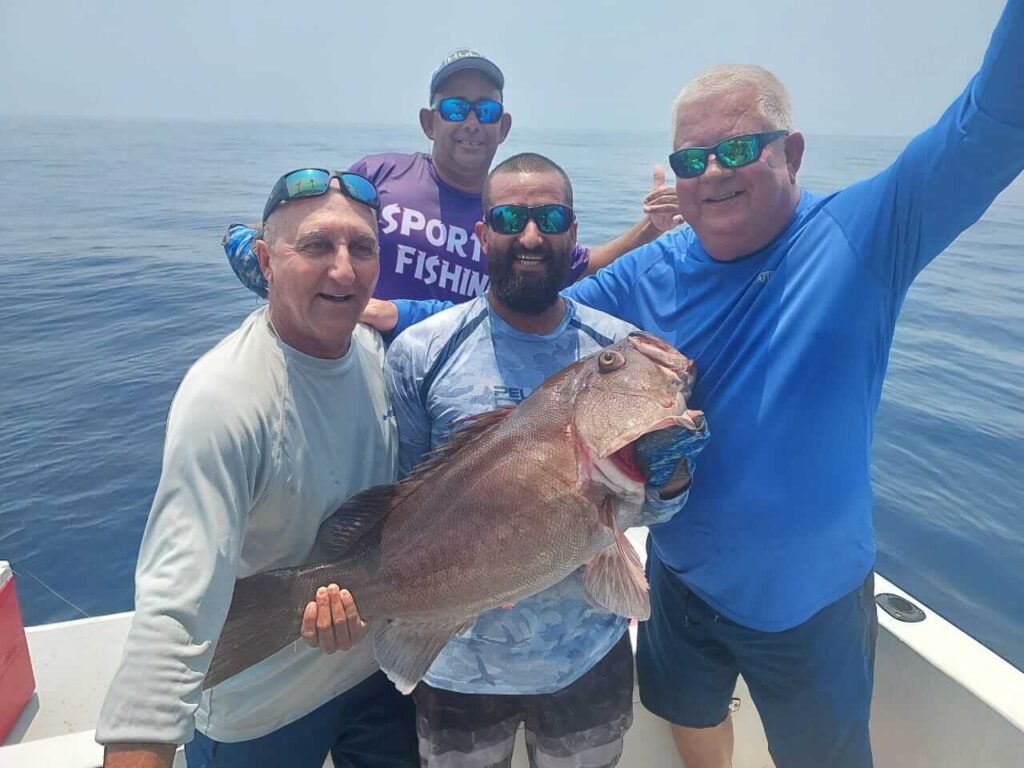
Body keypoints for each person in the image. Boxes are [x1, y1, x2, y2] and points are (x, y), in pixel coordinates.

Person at [372, 3, 1024, 765]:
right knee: (690, 719)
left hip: (808, 599)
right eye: (690, 160)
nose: (711, 174)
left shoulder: (867, 233)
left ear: (795, 152)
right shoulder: (651, 273)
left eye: (738, 148)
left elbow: (992, 122)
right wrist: (377, 310)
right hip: (680, 584)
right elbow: (526, 306)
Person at [302, 153, 708, 768]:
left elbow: (653, 507)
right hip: (457, 665)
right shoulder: (423, 350)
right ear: (482, 233)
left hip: (585, 659)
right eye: (511, 217)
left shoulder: (616, 344)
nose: (530, 235)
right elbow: (406, 496)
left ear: (573, 235)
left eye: (550, 218)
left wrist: (672, 471)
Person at [96, 169, 418, 768]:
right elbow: (175, 601)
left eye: (362, 248)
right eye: (317, 246)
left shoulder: (374, 353)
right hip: (258, 710)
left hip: (373, 676)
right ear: (266, 263)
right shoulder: (223, 397)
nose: (344, 271)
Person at [223, 49, 682, 303]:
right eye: (456, 108)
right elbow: (310, 239)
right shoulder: (377, 173)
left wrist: (650, 227)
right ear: (429, 122)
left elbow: (584, 263)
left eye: (485, 110)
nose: (471, 122)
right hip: (355, 362)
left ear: (503, 128)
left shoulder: (511, 215)